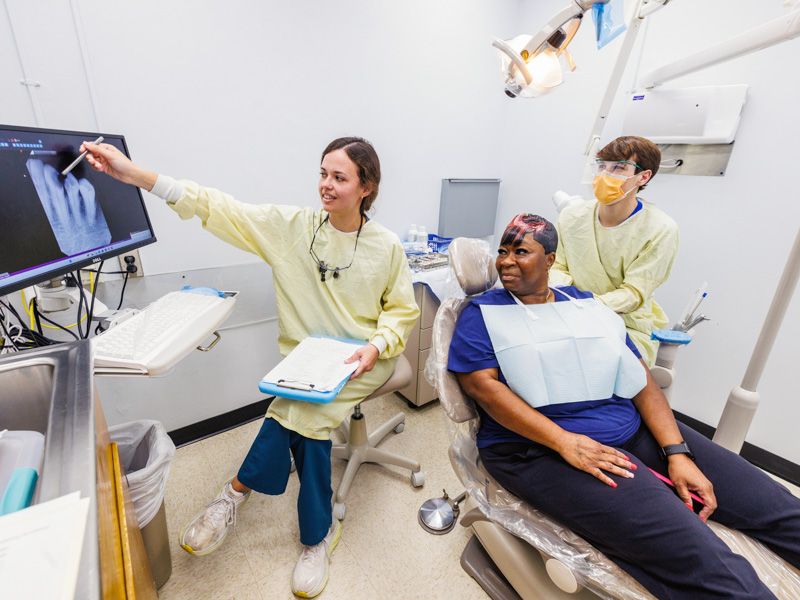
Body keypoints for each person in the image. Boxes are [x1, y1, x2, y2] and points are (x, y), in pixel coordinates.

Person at [81, 137, 419, 598]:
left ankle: (236, 493)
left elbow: (401, 311)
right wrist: (136, 175)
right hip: (307, 361)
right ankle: (317, 535)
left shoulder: (386, 246)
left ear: (367, 187)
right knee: (307, 412)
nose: (325, 185)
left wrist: (376, 346)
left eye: (339, 177)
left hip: (364, 357)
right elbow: (219, 207)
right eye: (322, 173)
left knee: (305, 411)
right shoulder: (293, 228)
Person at [449, 213, 800, 599]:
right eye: (502, 251)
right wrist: (565, 441)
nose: (506, 260)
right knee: (708, 562)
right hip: (538, 450)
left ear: (550, 260)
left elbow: (640, 379)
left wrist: (677, 452)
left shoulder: (585, 304)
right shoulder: (481, 313)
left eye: (521, 251)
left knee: (779, 508)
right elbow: (484, 389)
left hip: (633, 430)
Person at [549, 136, 679, 366]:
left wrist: (587, 305)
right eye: (601, 166)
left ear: (643, 176)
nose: (605, 174)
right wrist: (569, 300)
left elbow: (634, 293)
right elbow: (555, 266)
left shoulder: (660, 229)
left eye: (618, 167)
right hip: (564, 311)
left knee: (590, 366)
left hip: (625, 324)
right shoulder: (571, 216)